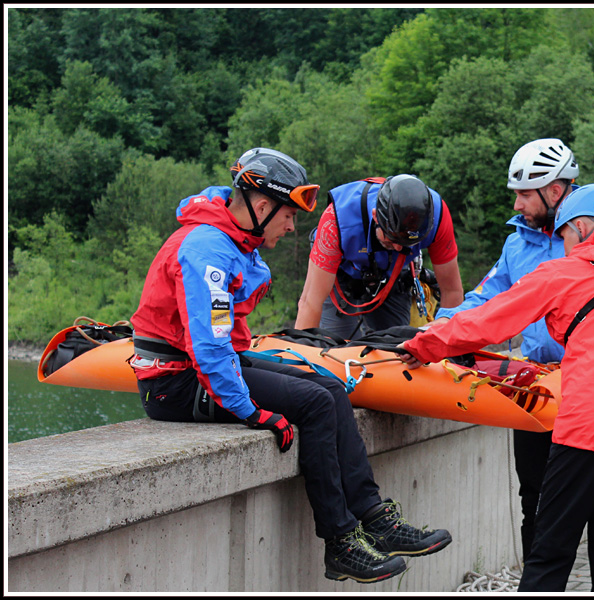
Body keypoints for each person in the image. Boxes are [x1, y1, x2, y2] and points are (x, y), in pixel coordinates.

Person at [128, 148, 451, 584]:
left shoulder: (229, 239)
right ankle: (340, 543)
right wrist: (250, 411)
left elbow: (222, 344)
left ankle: (376, 519)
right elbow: (209, 350)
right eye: (288, 216)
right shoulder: (207, 250)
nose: (292, 226)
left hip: (200, 368)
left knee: (332, 388)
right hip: (175, 385)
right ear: (262, 207)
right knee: (315, 405)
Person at [399, 183, 594, 591]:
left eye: (566, 234)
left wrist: (424, 343)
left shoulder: (565, 272)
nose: (564, 244)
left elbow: (491, 319)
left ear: (584, 228)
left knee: (551, 553)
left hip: (590, 426)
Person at [295, 174, 464, 339]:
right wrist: (301, 357)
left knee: (396, 346)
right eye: (392, 239)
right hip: (341, 271)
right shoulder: (336, 221)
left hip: (393, 274)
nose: (398, 247)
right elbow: (310, 302)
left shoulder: (438, 216)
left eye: (407, 244)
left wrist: (450, 352)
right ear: (376, 217)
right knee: (334, 343)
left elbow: (452, 292)